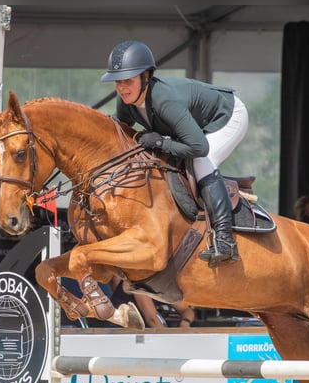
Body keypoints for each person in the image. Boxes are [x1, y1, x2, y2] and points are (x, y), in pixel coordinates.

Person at [101, 40, 249, 268]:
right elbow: (116, 130)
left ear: (146, 77)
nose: (122, 88)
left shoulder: (165, 100)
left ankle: (224, 240)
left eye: (128, 81)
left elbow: (200, 147)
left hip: (227, 116)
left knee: (201, 162)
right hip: (196, 128)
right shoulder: (127, 101)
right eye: (118, 82)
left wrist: (161, 141)